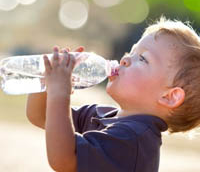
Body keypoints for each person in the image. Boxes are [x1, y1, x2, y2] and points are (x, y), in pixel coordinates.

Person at [26, 17, 200, 172]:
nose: (125, 59)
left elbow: (63, 160)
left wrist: (59, 94)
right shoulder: (102, 114)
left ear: (169, 96)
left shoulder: (134, 139)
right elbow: (40, 116)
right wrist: (46, 80)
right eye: (131, 52)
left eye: (142, 58)